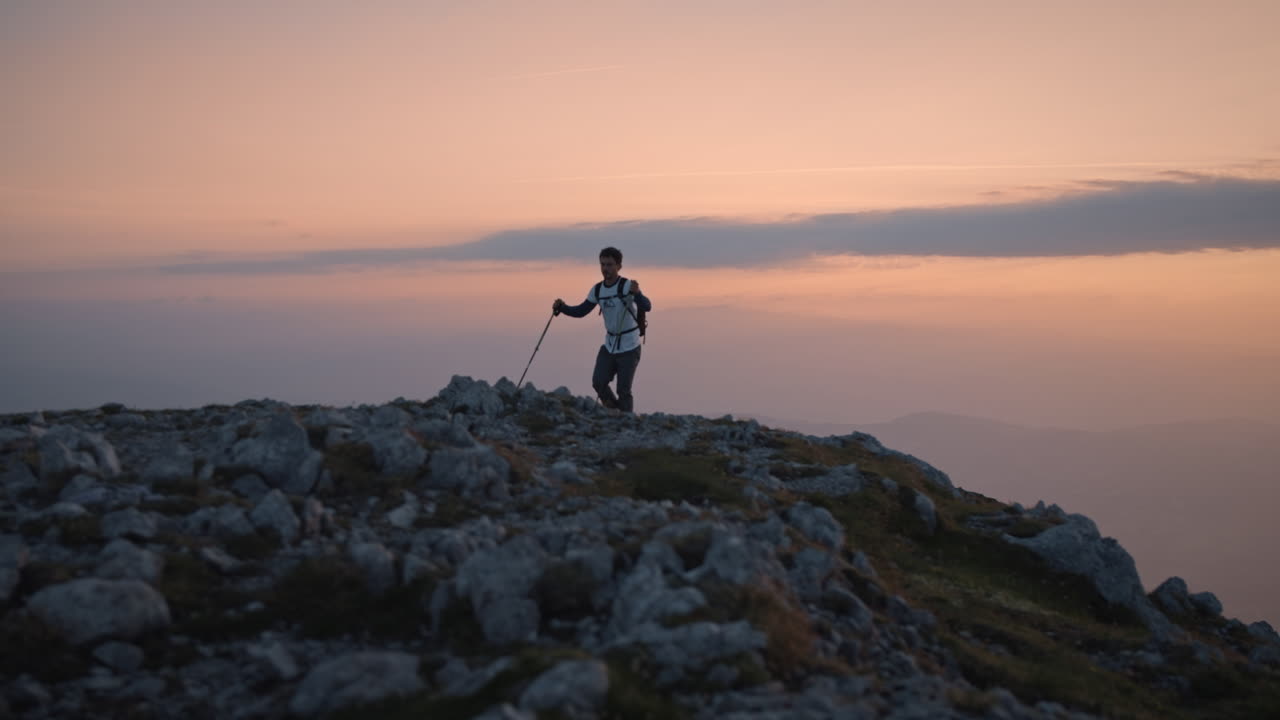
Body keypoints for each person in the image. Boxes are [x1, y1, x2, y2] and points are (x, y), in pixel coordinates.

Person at [553, 247, 652, 412]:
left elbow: (647, 306)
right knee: (598, 382)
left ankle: (626, 423)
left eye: (610, 265)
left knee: (623, 390)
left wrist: (638, 293)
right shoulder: (598, 290)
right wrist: (562, 308)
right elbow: (581, 311)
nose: (605, 268)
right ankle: (615, 413)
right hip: (610, 344)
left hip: (630, 345)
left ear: (619, 266)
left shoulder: (627, 285)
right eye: (602, 264)